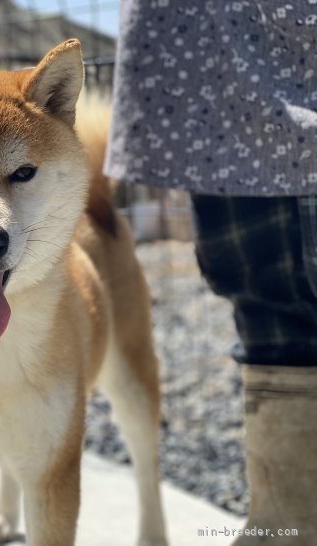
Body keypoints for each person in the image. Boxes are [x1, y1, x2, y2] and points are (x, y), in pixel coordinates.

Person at [105, 2, 317, 545]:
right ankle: (287, 524)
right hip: (224, 60)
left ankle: (287, 528)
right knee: (272, 303)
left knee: (280, 305)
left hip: (238, 63)